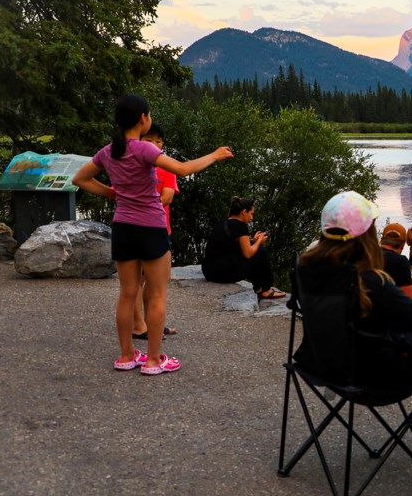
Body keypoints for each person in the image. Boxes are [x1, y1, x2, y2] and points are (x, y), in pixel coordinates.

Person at [300, 191, 412, 462]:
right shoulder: (371, 281)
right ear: (368, 233)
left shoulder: (307, 269)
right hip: (371, 380)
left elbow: (365, 318)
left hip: (320, 368)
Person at [72, 93, 232, 375]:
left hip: (123, 228)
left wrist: (112, 193)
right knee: (156, 295)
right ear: (143, 118)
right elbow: (182, 170)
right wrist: (216, 155)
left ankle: (125, 356)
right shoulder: (144, 150)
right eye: (150, 115)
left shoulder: (108, 151)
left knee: (126, 294)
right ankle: (154, 360)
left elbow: (80, 179)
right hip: (151, 228)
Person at [132, 123, 178, 340]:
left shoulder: (166, 167)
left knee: (158, 280)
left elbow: (168, 196)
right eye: (149, 140)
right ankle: (138, 325)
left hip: (160, 229)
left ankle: (154, 322)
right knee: (136, 280)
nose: (155, 145)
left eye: (159, 141)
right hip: (136, 228)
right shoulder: (132, 164)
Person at [202, 196, 285, 300]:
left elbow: (231, 245)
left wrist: (253, 241)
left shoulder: (222, 222)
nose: (251, 218)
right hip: (222, 273)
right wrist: (259, 242)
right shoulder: (240, 225)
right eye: (251, 213)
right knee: (260, 252)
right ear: (244, 212)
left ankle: (259, 288)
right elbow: (248, 253)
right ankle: (266, 290)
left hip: (208, 271)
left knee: (254, 253)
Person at [379, 222, 412, 304]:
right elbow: (410, 303)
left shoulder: (367, 256)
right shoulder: (400, 261)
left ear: (381, 240)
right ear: (403, 245)